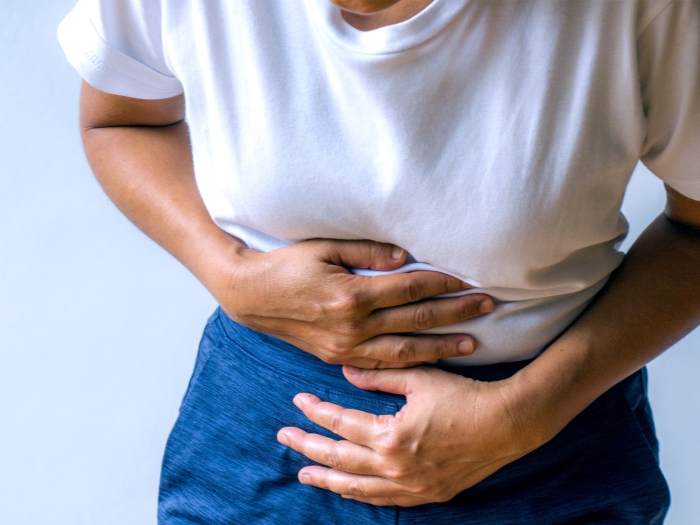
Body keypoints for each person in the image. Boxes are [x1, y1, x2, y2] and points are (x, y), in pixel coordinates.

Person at [58, 0, 700, 523]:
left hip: (552, 450)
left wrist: (522, 414)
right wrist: (227, 270)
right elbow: (122, 121)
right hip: (265, 430)